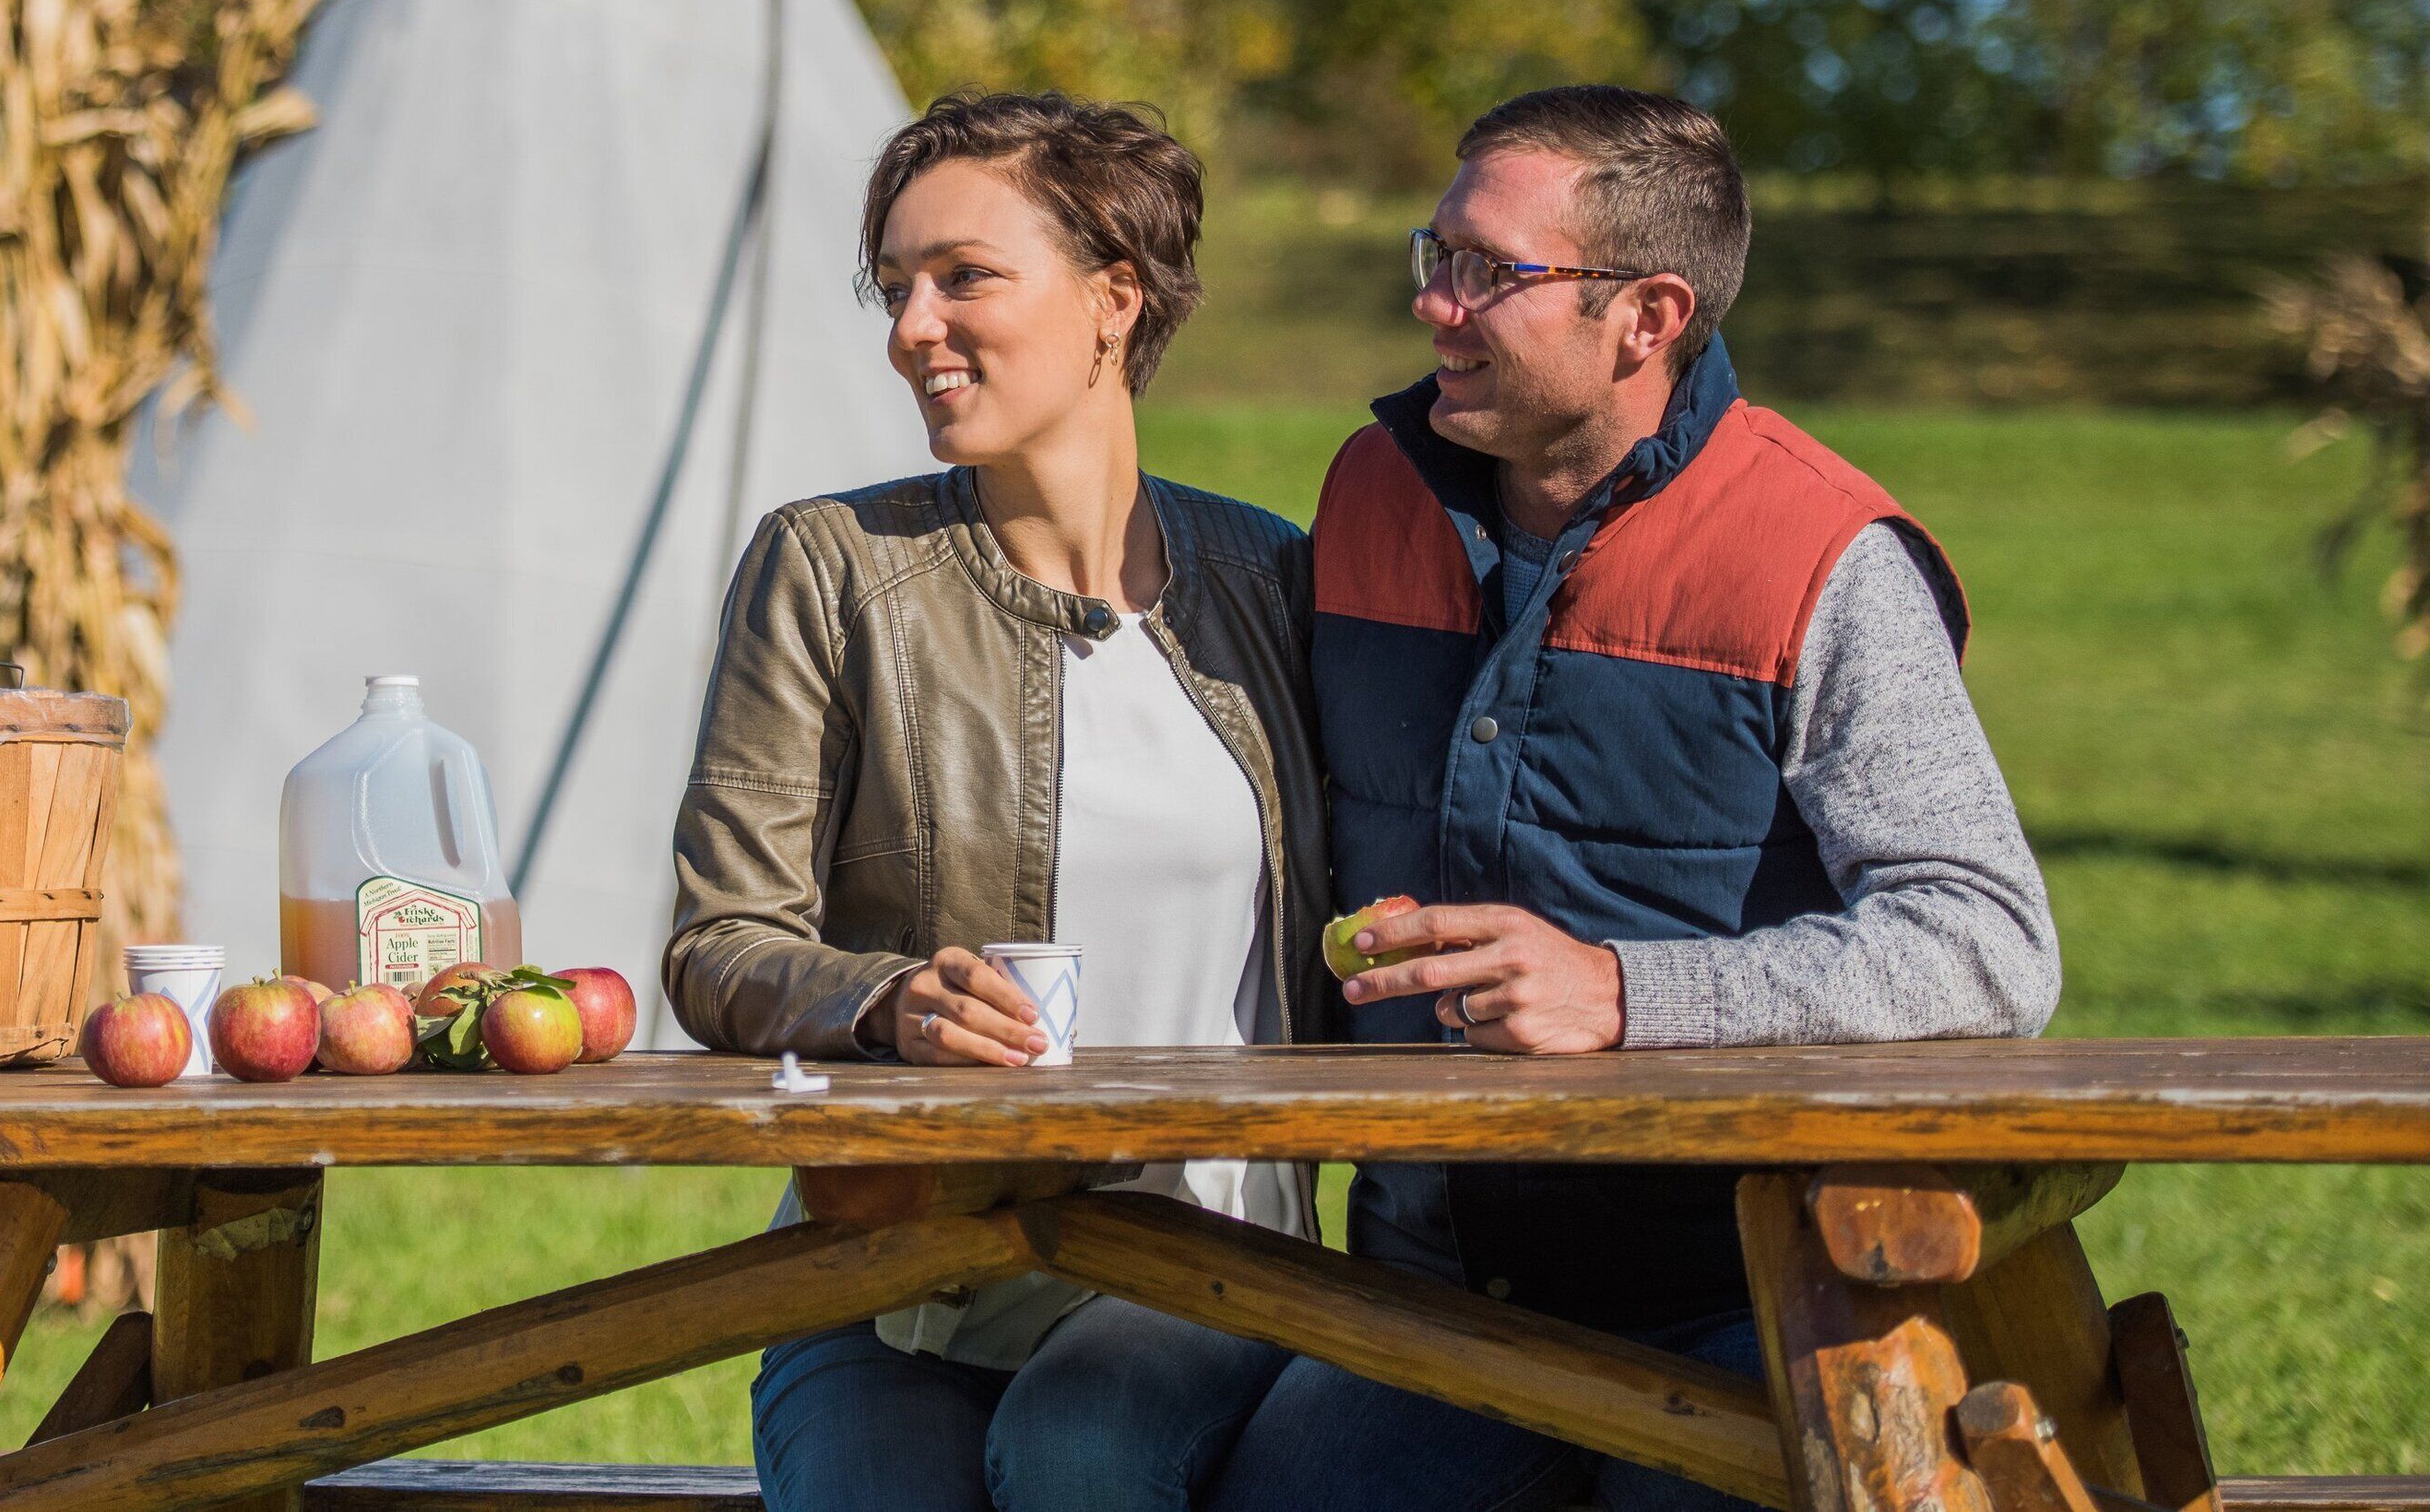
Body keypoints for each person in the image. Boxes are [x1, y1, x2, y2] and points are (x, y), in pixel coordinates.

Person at [1224, 86, 2059, 1512]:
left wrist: (1623, 994)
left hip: (1748, 1293)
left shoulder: (1822, 553)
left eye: (1487, 270)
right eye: (1435, 253)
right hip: (1426, 1292)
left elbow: (1989, 945)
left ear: (1647, 317)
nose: (1434, 304)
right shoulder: (1370, 491)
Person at [667, 91, 1330, 1512]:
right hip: (902, 1269)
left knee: (1078, 1453)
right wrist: (884, 1001)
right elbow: (719, 944)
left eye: (964, 276)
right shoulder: (829, 567)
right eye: (895, 286)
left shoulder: (1273, 579)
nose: (913, 327)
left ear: (1113, 300)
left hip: (1206, 1262)